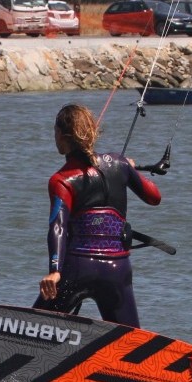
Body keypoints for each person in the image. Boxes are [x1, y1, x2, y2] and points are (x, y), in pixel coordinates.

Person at [32, 104, 161, 328]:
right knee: (128, 337)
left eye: (55, 131)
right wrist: (129, 169)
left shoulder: (61, 180)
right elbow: (154, 197)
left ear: (62, 135)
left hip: (77, 269)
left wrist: (54, 271)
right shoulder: (119, 164)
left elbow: (58, 227)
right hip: (117, 270)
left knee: (33, 327)